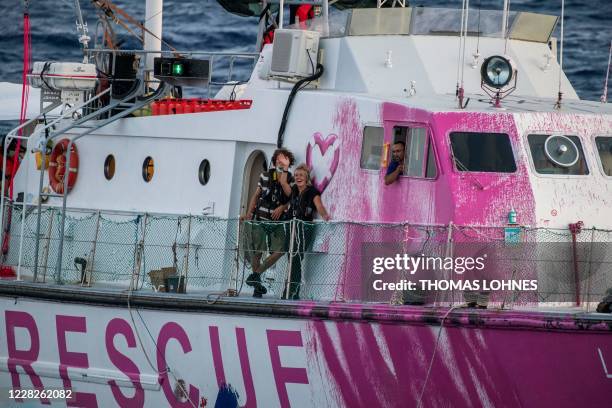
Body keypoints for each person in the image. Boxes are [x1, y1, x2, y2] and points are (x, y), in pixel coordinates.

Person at [242, 148, 294, 297]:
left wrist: (282, 207)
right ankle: (257, 288)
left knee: (280, 250)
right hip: (260, 218)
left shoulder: (290, 179)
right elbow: (256, 195)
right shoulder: (265, 176)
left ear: (288, 162)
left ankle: (256, 275)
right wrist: (249, 214)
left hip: (276, 222)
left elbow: (291, 198)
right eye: (278, 159)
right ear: (274, 160)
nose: (280, 161)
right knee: (257, 254)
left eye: (283, 159)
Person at [282, 163, 330, 300]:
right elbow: (283, 182)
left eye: (301, 175)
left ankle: (291, 292)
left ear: (307, 177)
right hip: (291, 227)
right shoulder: (294, 191)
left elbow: (319, 205)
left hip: (304, 229)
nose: (298, 177)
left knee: (296, 259)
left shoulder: (312, 192)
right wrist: (286, 168)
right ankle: (290, 291)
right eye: (296, 175)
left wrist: (325, 215)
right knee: (291, 259)